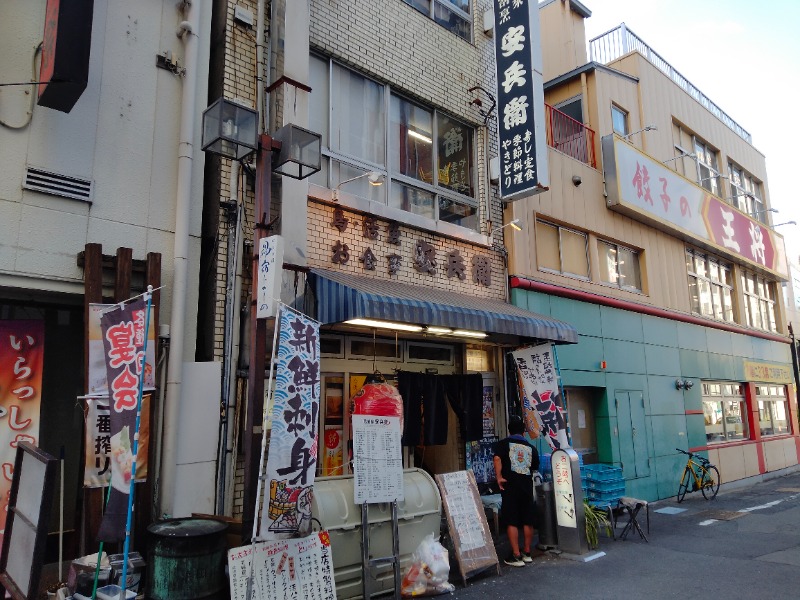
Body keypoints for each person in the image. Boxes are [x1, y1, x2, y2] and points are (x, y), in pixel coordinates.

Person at [493, 415, 539, 567]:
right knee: (528, 520)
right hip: (526, 486)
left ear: (509, 430)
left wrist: (499, 477)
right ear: (523, 432)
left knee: (511, 520)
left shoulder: (504, 444)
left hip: (510, 486)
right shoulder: (531, 448)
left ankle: (516, 555)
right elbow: (534, 468)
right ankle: (527, 552)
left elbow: (497, 459)